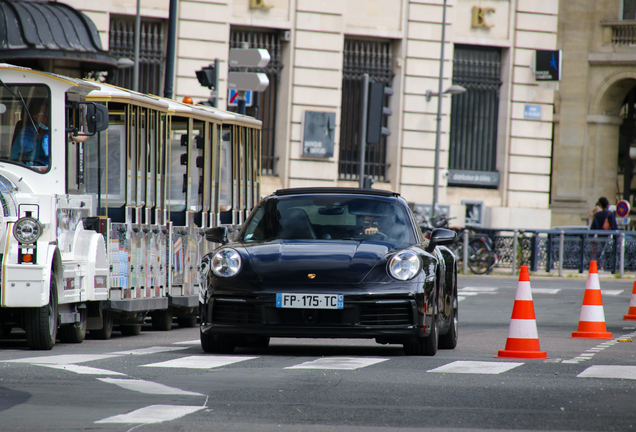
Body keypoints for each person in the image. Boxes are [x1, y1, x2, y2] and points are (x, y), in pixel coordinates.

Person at [10, 98, 50, 168]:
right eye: (45, 114)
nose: (48, 117)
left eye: (50, 114)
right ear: (36, 118)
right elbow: (15, 158)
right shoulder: (25, 132)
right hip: (28, 171)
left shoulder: (58, 132)